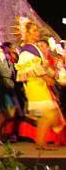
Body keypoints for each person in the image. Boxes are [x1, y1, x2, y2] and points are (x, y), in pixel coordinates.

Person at [14, 17, 65, 149]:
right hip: (35, 85)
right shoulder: (27, 50)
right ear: (28, 33)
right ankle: (41, 142)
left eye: (37, 30)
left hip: (39, 84)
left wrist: (54, 76)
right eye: (34, 31)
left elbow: (43, 67)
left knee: (46, 115)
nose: (37, 33)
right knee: (50, 113)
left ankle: (41, 142)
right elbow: (33, 68)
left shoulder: (34, 48)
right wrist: (47, 77)